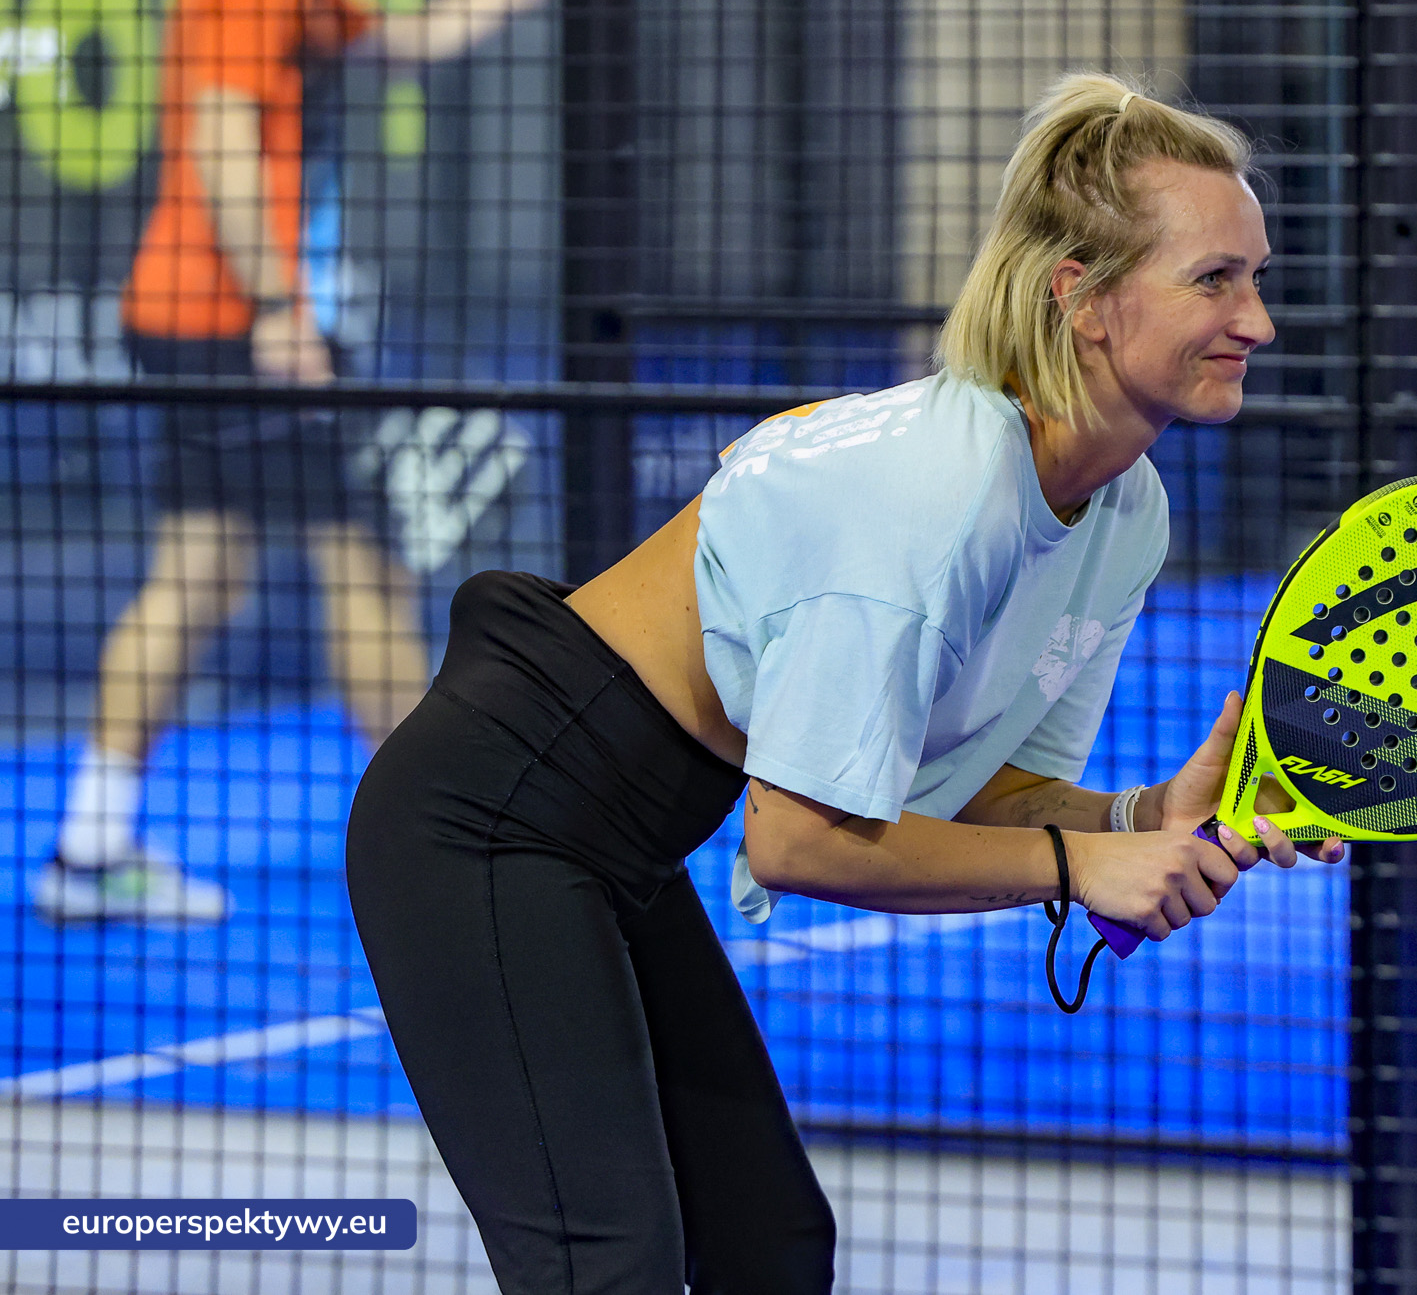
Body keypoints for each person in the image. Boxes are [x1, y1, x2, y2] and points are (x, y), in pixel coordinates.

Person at [345, 74, 1345, 1293]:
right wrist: (1088, 864)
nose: (1258, 320)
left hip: (617, 837)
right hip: (490, 819)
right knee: (602, 1265)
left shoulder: (1123, 507)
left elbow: (977, 790)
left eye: (1256, 277)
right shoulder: (931, 497)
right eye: (1214, 280)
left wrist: (1136, 821)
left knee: (770, 1243)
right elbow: (801, 838)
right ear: (1078, 298)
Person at [38, 0, 565, 923]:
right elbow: (222, 131)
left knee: (203, 576)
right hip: (241, 326)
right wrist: (279, 308)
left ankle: (90, 845)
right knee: (356, 563)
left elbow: (403, 42)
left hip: (212, 320)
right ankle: (442, 838)